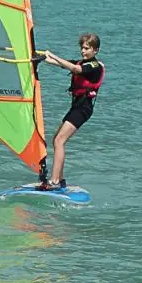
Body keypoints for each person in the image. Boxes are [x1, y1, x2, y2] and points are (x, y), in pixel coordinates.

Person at [38, 33, 104, 190]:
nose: (83, 51)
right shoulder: (81, 62)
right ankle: (59, 180)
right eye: (82, 48)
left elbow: (74, 68)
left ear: (96, 50)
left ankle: (54, 181)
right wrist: (38, 56)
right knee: (56, 139)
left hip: (84, 108)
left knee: (59, 141)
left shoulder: (94, 66)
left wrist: (51, 53)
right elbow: (59, 63)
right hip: (76, 106)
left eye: (87, 48)